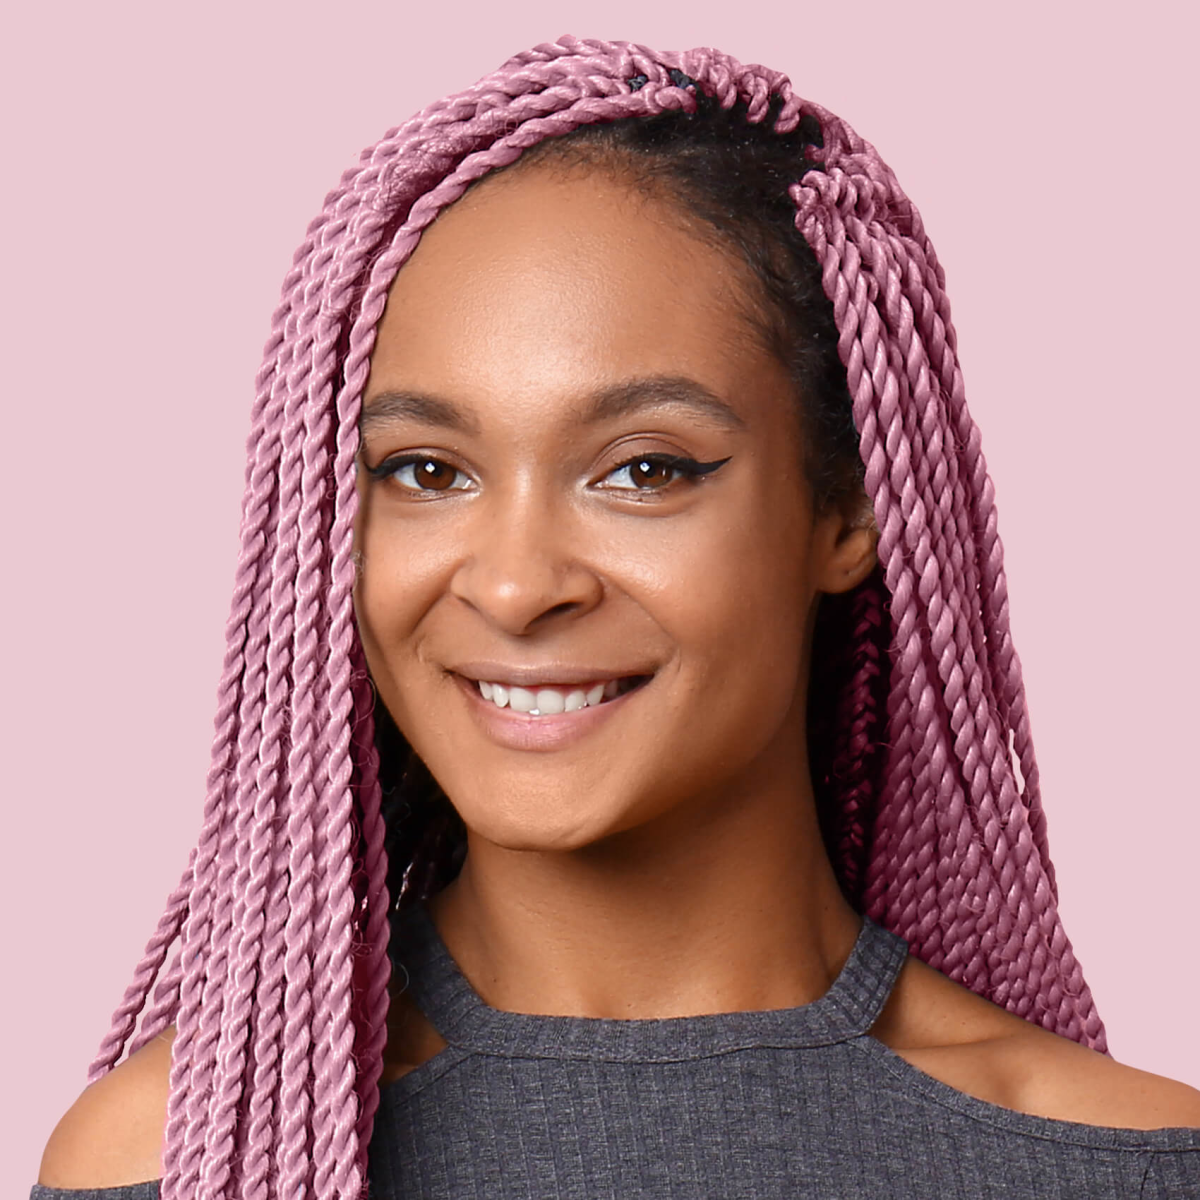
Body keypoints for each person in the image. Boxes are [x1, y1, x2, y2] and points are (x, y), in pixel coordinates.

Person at [33, 34, 1200, 1200]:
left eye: (645, 470)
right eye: (427, 471)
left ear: (850, 509)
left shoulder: (1122, 1164)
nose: (515, 585)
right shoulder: (187, 1161)